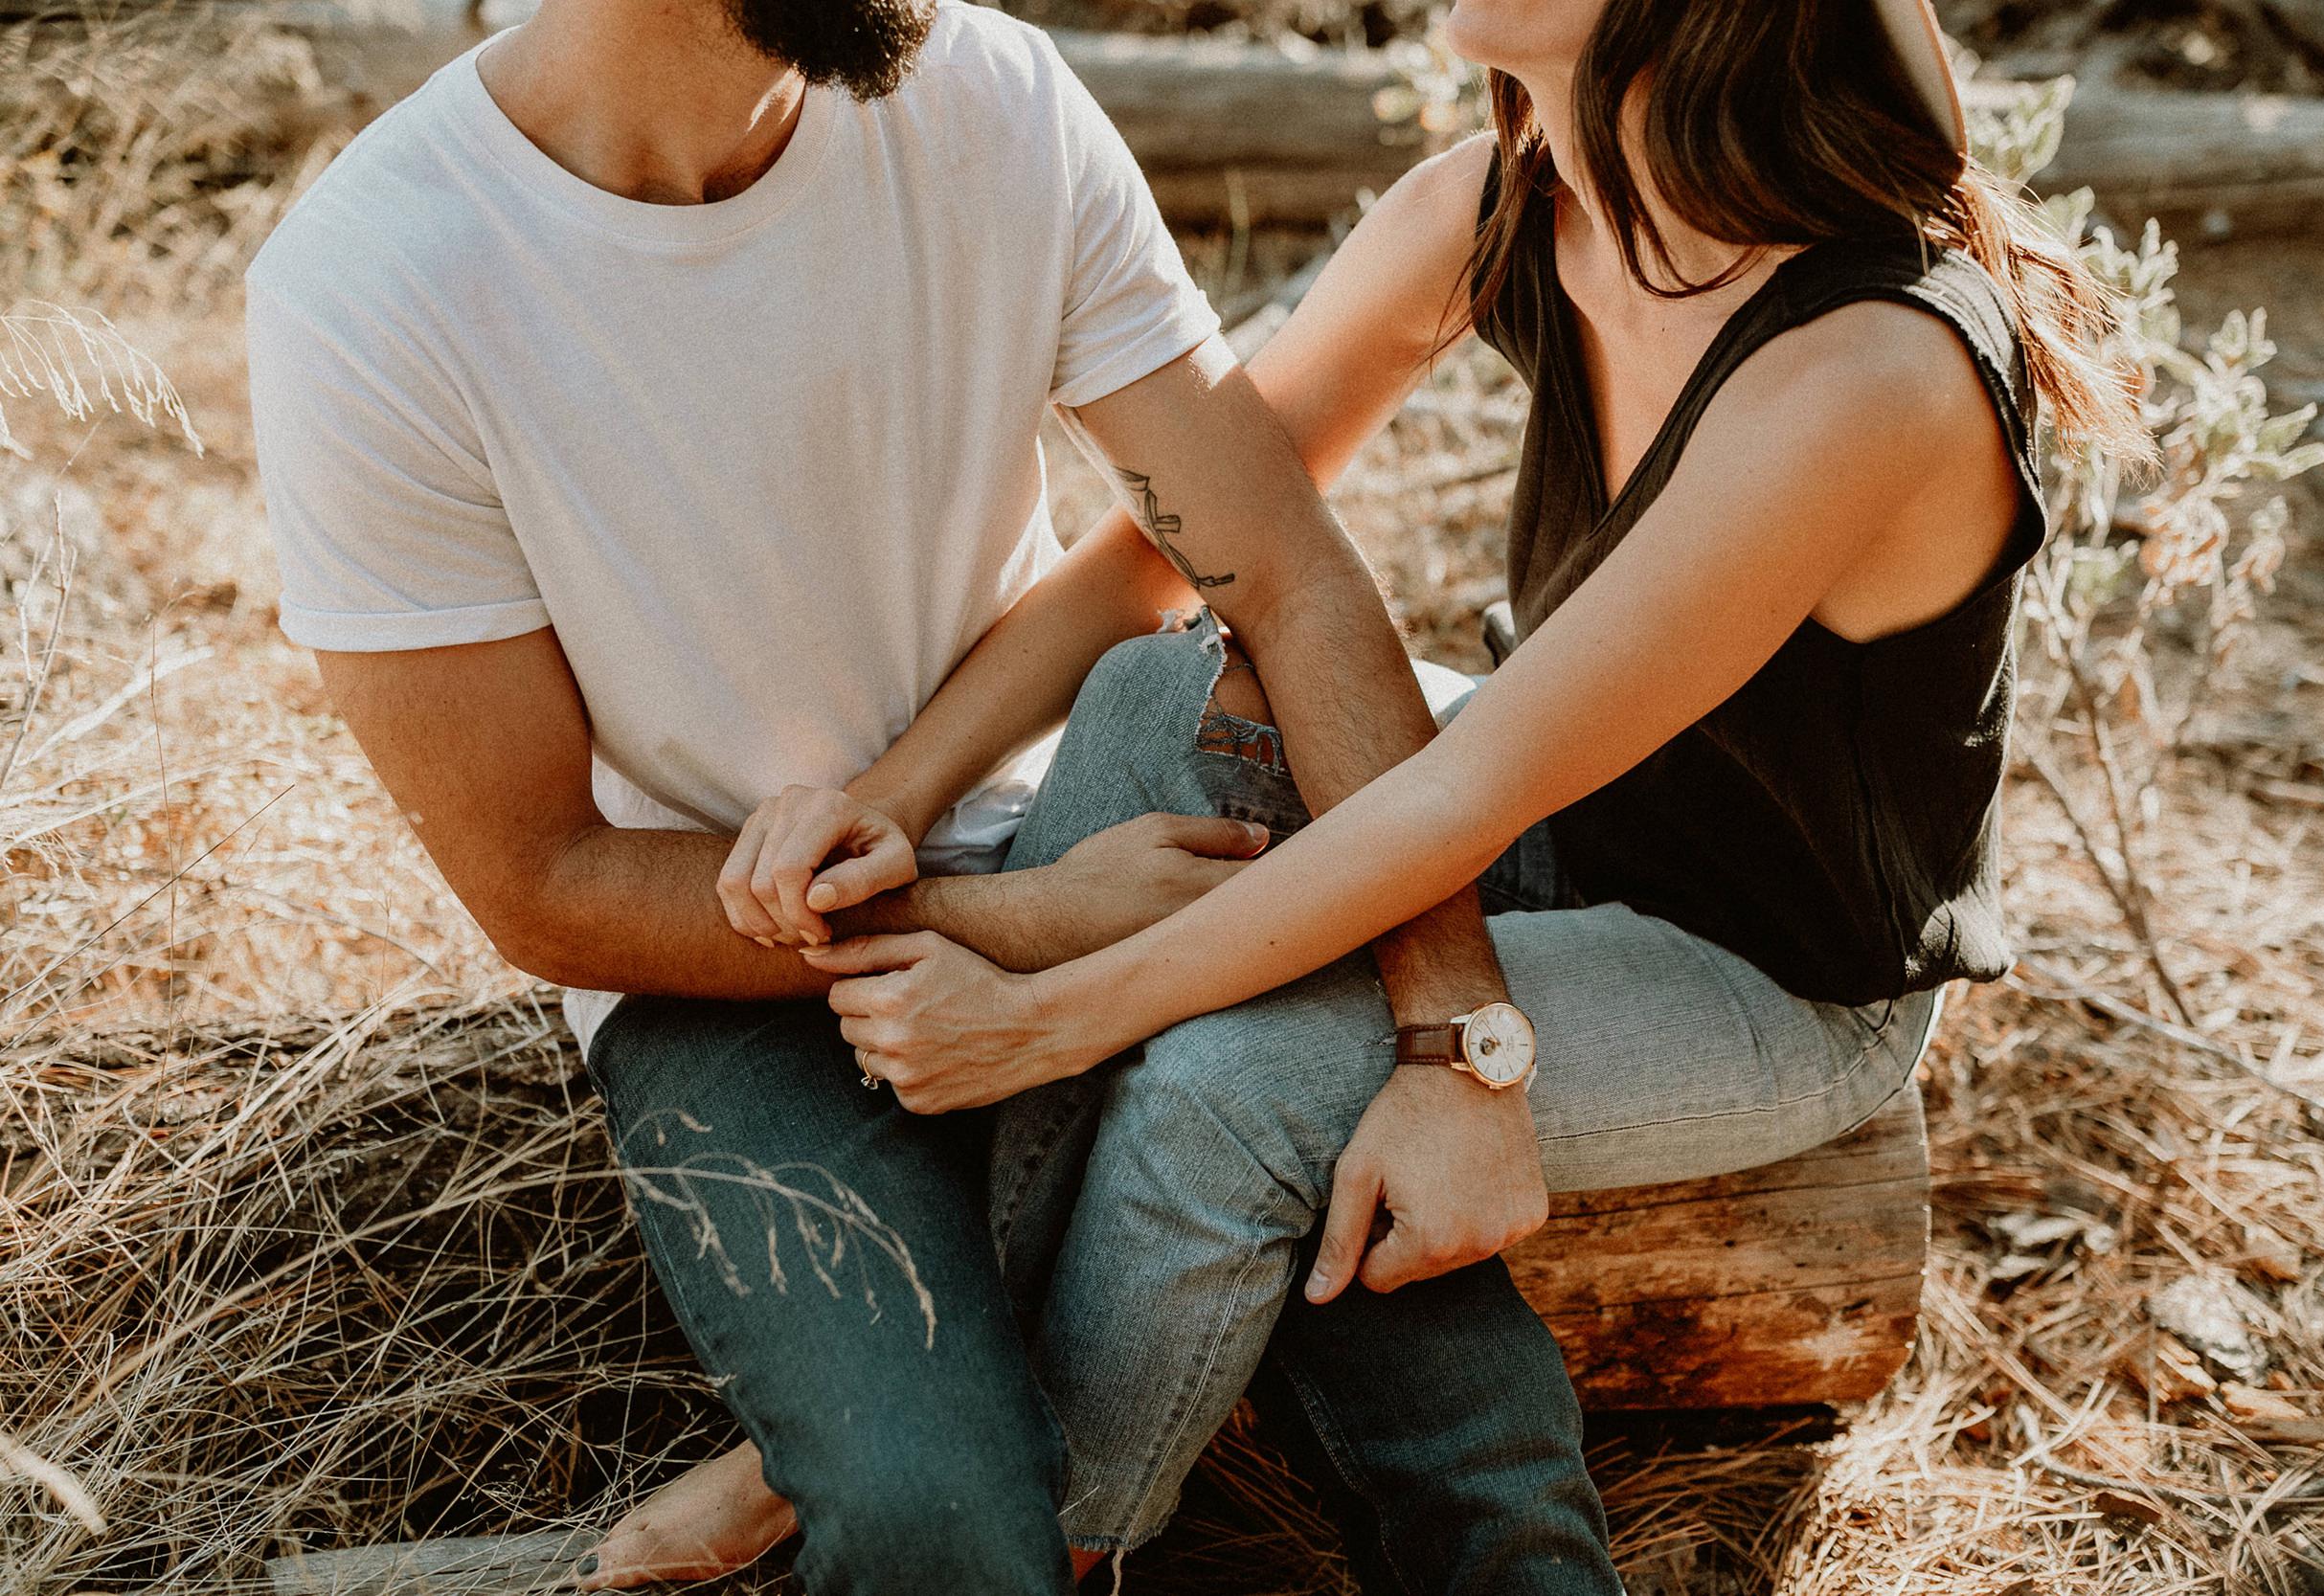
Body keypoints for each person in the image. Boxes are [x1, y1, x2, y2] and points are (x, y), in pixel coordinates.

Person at [760, 0, 2155, 1579]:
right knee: (1162, 693)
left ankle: (1026, 1535)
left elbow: (1452, 800)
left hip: (1767, 975)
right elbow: (1185, 536)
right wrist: (903, 782)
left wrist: (1057, 1010)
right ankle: (937, 1378)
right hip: (1564, 814)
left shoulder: (1869, 368)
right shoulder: (1509, 200)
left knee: (1236, 1077)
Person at [243, 0, 1613, 1590]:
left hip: (1113, 834)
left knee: (1476, 1449)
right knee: (931, 1529)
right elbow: (543, 882)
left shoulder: (988, 94)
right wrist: (1021, 925)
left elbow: (1290, 585)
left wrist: (1451, 1034)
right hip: (736, 963)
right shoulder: (371, 287)